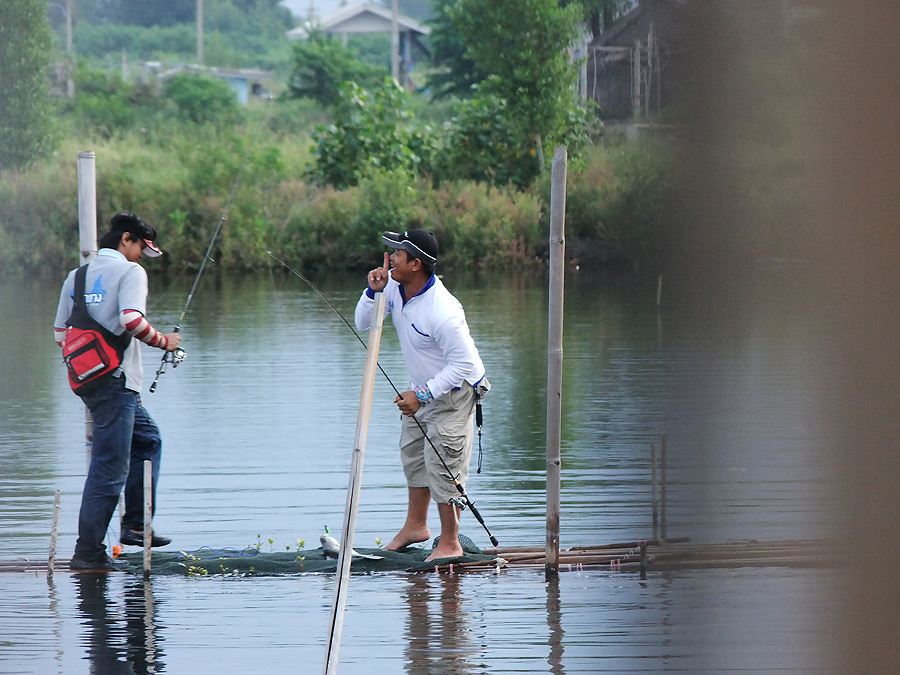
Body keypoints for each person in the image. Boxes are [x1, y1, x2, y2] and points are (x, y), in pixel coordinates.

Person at [54, 212, 182, 571]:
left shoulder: (75, 276)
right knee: (109, 469)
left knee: (147, 441)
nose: (143, 255)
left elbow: (59, 335)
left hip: (87, 381)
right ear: (126, 240)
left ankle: (137, 526)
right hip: (116, 382)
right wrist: (165, 342)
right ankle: (88, 554)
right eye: (142, 246)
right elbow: (131, 320)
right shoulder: (130, 272)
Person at [355, 229, 489, 562]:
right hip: (424, 388)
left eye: (398, 253)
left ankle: (451, 542)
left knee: (443, 463)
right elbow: (362, 322)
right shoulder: (395, 290)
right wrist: (373, 292)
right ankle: (416, 526)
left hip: (457, 389)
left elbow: (465, 365)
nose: (390, 257)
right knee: (414, 454)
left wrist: (423, 394)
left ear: (416, 264)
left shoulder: (443, 311)